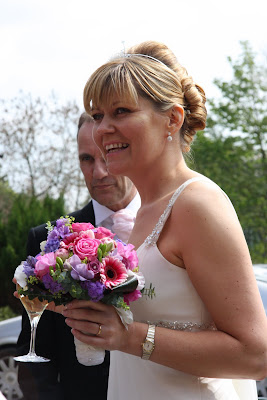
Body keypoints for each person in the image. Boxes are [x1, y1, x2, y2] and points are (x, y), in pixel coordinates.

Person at [61, 41, 267, 400]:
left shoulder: (197, 204)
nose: (103, 129)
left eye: (120, 111)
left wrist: (128, 336)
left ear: (172, 119)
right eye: (97, 116)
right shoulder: (145, 210)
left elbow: (255, 355)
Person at [16, 112, 140, 400]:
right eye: (87, 159)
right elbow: (34, 354)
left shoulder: (173, 226)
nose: (98, 172)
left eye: (107, 156)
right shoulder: (47, 241)